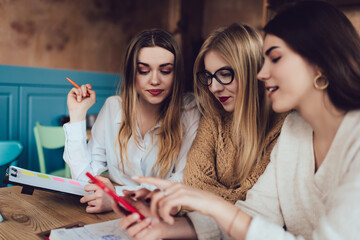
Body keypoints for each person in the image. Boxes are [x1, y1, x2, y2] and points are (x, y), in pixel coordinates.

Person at [114, 1, 360, 239]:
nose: (262, 74)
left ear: (321, 63)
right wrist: (165, 227)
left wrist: (211, 203)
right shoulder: (295, 131)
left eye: (275, 58)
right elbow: (256, 216)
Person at [63, 29, 200, 213]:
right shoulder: (113, 107)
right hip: (110, 216)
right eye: (143, 71)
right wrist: (77, 115)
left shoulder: (190, 111)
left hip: (161, 218)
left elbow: (183, 182)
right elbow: (84, 180)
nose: (154, 80)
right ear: (131, 74)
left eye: (165, 71)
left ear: (176, 74)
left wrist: (116, 199)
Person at [182, 23, 286, 204]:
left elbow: (257, 202)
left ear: (252, 71)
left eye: (224, 74)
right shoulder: (215, 117)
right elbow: (192, 183)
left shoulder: (283, 124)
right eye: (208, 76)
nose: (213, 88)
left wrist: (203, 200)